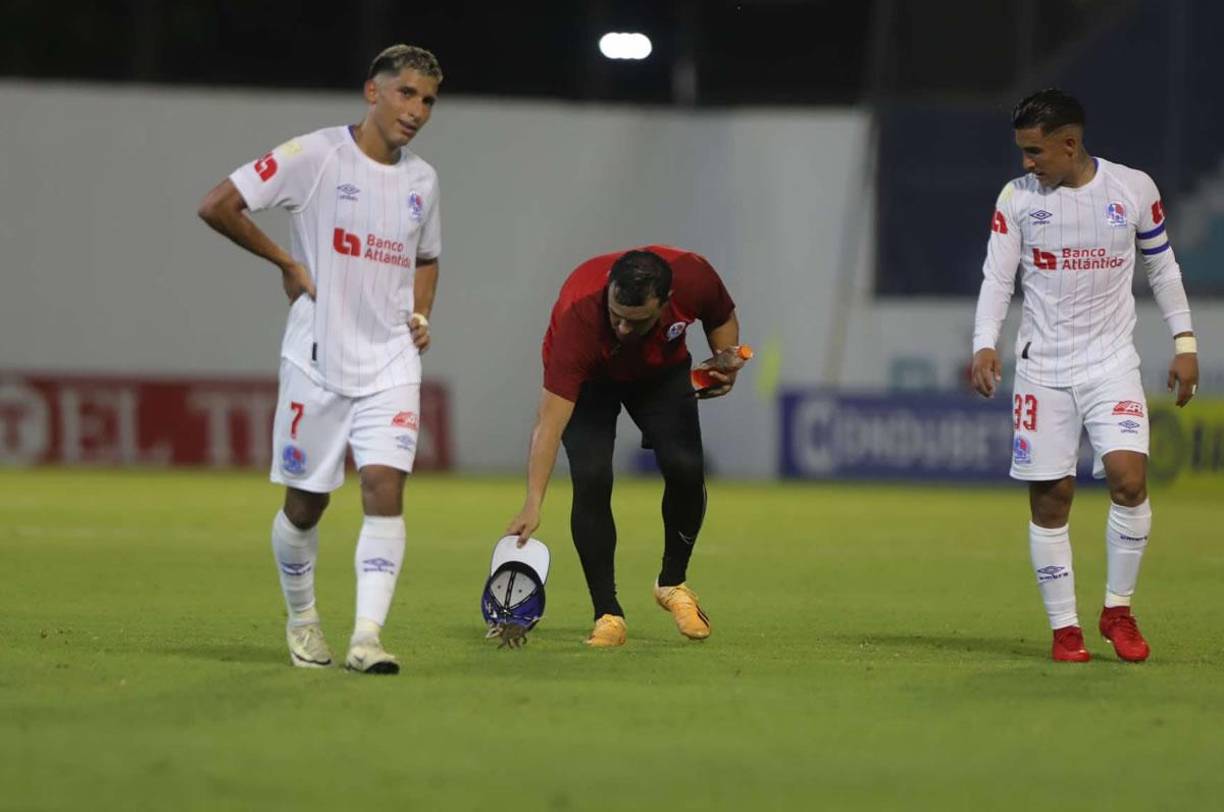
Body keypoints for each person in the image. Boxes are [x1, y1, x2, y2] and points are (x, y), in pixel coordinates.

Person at [197, 44, 444, 674]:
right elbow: (217, 204)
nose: (416, 110)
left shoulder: (423, 181)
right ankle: (304, 620)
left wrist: (421, 316)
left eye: (428, 100)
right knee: (306, 505)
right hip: (318, 359)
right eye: (406, 93)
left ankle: (367, 638)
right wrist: (285, 261)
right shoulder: (315, 157)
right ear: (373, 91)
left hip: (391, 360)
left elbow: (427, 259)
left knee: (385, 488)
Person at [970, 88, 1198, 663]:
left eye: (1035, 152)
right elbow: (998, 278)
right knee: (1052, 499)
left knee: (1129, 480)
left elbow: (1162, 265)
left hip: (1111, 365)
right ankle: (1065, 627)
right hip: (1043, 370)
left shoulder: (1132, 189)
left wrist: (1185, 341)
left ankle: (1117, 610)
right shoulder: (1017, 200)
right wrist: (984, 344)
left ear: (1069, 144)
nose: (1027, 163)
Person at [506, 246, 743, 647]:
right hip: (592, 382)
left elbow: (722, 318)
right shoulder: (578, 320)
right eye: (616, 316)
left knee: (686, 467)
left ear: (667, 303)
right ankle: (608, 614)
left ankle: (672, 584)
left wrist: (725, 362)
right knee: (592, 477)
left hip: (659, 373)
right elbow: (548, 425)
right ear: (609, 293)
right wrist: (533, 501)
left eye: (636, 321)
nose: (622, 329)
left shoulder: (693, 276)